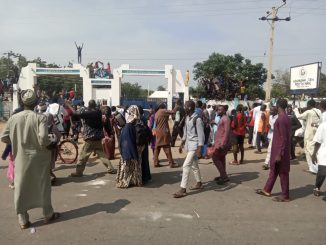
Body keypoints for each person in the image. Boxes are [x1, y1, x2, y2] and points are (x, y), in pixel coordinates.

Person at [1, 89, 60, 229]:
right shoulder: (40, 118)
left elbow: (4, 137)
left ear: (22, 103)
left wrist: (17, 140)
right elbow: (43, 139)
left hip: (20, 158)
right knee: (43, 186)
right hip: (39, 158)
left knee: (21, 187)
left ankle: (23, 220)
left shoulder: (13, 118)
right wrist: (50, 145)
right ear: (35, 103)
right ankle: (48, 214)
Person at [256, 98, 291, 202]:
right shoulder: (284, 117)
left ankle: (285, 195)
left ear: (277, 107)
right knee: (274, 171)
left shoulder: (282, 119)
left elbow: (284, 138)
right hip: (277, 149)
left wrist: (280, 153)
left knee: (283, 173)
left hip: (280, 151)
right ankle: (267, 189)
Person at [70, 100, 117, 177]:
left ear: (89, 105)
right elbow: (106, 124)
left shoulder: (89, 113)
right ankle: (111, 168)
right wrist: (109, 133)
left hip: (90, 138)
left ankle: (78, 172)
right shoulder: (99, 113)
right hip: (98, 137)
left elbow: (76, 114)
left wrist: (69, 106)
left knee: (83, 156)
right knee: (102, 155)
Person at [174, 100, 204, 198]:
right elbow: (185, 132)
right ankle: (199, 183)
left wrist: (200, 148)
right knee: (194, 165)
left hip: (195, 146)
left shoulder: (197, 119)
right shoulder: (187, 117)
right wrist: (182, 143)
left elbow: (201, 135)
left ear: (190, 107)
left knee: (186, 165)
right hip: (189, 145)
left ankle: (183, 189)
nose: (184, 108)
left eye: (185, 106)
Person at [117, 106, 143, 188]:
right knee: (134, 167)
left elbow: (126, 140)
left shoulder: (128, 125)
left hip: (129, 150)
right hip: (134, 149)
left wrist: (126, 152)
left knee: (127, 167)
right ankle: (135, 181)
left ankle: (126, 182)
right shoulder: (138, 123)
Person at [294, 99, 321, 174]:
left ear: (309, 105)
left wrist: (296, 109)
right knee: (314, 149)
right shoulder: (319, 111)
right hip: (317, 132)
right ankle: (313, 167)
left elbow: (299, 116)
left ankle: (314, 168)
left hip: (309, 134)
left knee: (309, 150)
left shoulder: (309, 112)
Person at [154, 103, 178, 168]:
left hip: (158, 131)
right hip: (164, 132)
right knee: (167, 147)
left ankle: (156, 162)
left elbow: (155, 124)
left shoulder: (156, 113)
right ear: (163, 107)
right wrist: (176, 106)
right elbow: (173, 111)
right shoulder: (163, 111)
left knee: (157, 147)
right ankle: (171, 163)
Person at [212, 105, 231, 185]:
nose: (218, 111)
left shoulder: (226, 119)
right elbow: (222, 129)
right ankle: (223, 175)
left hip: (222, 143)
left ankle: (224, 176)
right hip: (219, 141)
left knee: (215, 157)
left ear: (224, 111)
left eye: (220, 110)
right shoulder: (222, 119)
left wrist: (223, 143)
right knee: (221, 158)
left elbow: (227, 132)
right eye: (218, 110)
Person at [311, 119, 326, 200]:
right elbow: (318, 141)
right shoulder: (323, 125)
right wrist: (314, 154)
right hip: (324, 154)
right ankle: (317, 187)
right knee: (322, 173)